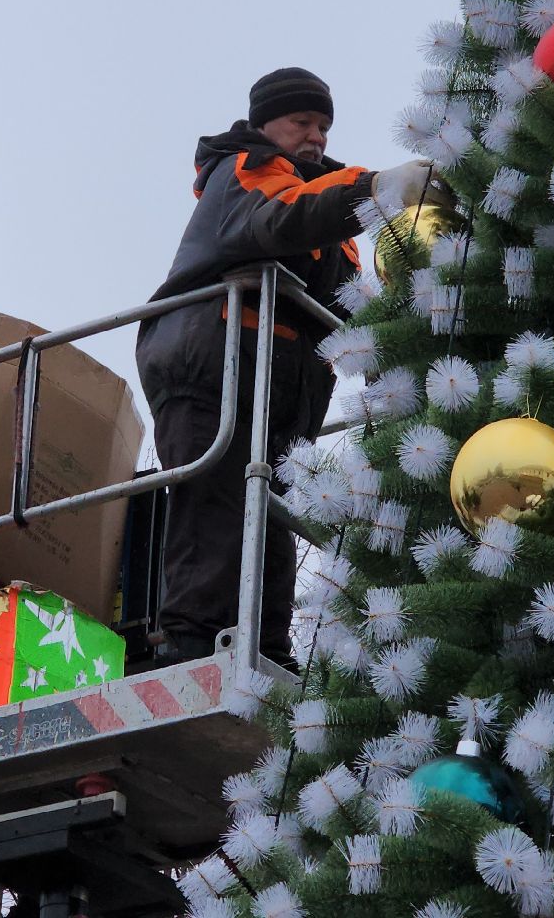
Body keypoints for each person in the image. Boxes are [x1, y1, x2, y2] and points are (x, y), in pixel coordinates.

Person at [136, 67, 437, 667]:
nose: (316, 136)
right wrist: (378, 187)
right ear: (266, 123)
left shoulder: (329, 207)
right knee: (213, 500)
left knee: (272, 519)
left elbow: (349, 301)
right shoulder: (246, 168)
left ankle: (266, 649)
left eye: (323, 125)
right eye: (303, 122)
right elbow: (281, 218)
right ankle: (189, 641)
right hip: (210, 367)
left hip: (278, 389)